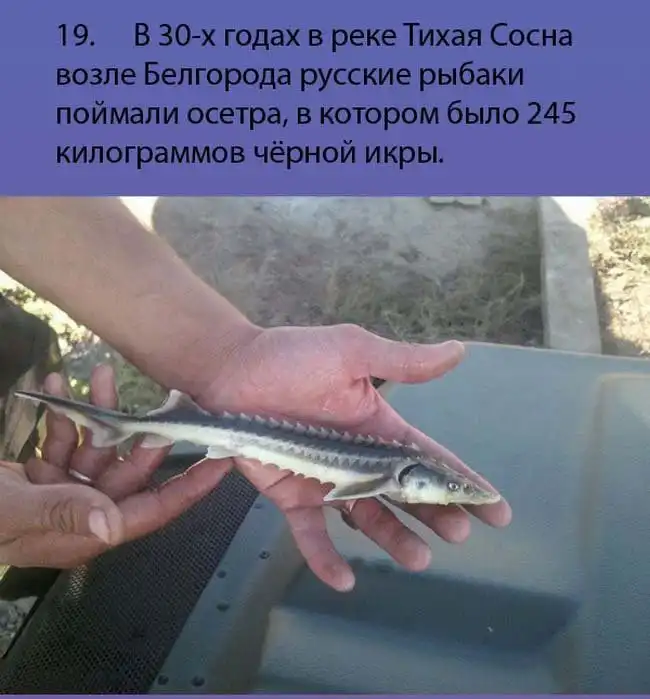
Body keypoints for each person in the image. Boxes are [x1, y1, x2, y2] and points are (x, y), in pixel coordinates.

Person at [0, 197, 511, 592]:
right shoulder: (381, 475)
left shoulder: (387, 472)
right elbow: (345, 491)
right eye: (452, 488)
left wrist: (226, 356)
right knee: (48, 516)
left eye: (453, 491)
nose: (454, 492)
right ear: (411, 477)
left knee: (45, 506)